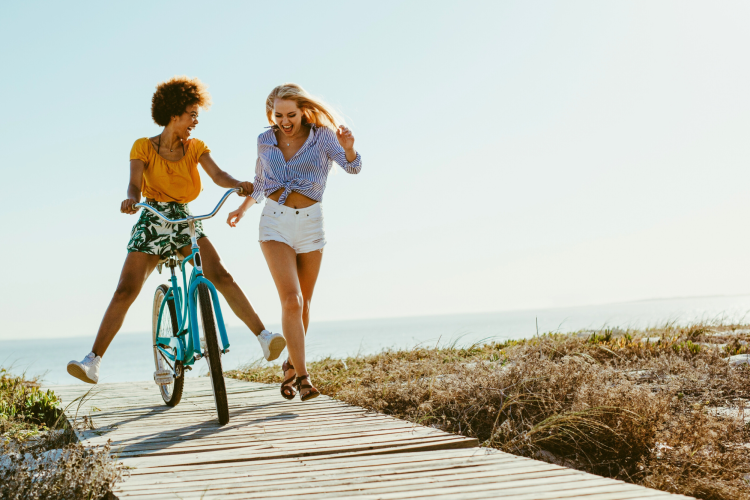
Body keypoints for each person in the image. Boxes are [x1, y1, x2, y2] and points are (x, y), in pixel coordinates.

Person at [67, 76, 286, 384]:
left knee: (221, 275)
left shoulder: (196, 148)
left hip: (183, 220)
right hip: (152, 218)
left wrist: (237, 184)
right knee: (125, 290)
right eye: (192, 114)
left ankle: (264, 337)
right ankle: (93, 361)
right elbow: (134, 184)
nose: (195, 121)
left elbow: (218, 174)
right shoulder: (143, 147)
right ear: (173, 115)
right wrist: (131, 201)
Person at [227, 83, 362, 401]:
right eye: (278, 115)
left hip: (312, 224)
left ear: (303, 110)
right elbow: (261, 182)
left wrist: (349, 147)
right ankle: (303, 378)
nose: (284, 121)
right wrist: (243, 209)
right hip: (275, 223)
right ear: (270, 113)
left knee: (304, 304)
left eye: (291, 114)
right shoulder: (264, 140)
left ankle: (290, 365)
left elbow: (353, 168)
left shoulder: (323, 136)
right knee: (292, 300)